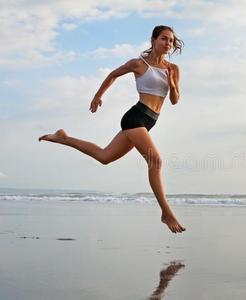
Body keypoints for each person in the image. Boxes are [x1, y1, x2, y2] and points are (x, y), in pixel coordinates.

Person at [39, 25, 186, 234]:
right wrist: (98, 95)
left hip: (150, 121)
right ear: (153, 40)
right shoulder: (139, 64)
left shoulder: (174, 69)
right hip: (135, 118)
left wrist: (171, 83)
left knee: (104, 157)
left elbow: (174, 101)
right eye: (164, 39)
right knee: (156, 161)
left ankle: (63, 138)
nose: (168, 43)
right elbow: (113, 74)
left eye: (171, 40)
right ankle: (166, 213)